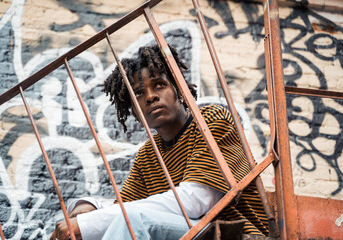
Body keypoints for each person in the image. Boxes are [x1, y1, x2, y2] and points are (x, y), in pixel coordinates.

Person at [50, 44, 269, 240]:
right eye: (138, 93)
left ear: (178, 90)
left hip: (236, 234)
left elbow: (195, 201)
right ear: (133, 111)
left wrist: (89, 223)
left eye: (159, 85)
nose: (150, 96)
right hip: (191, 232)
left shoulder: (211, 120)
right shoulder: (148, 155)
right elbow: (122, 209)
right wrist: (86, 207)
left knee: (135, 221)